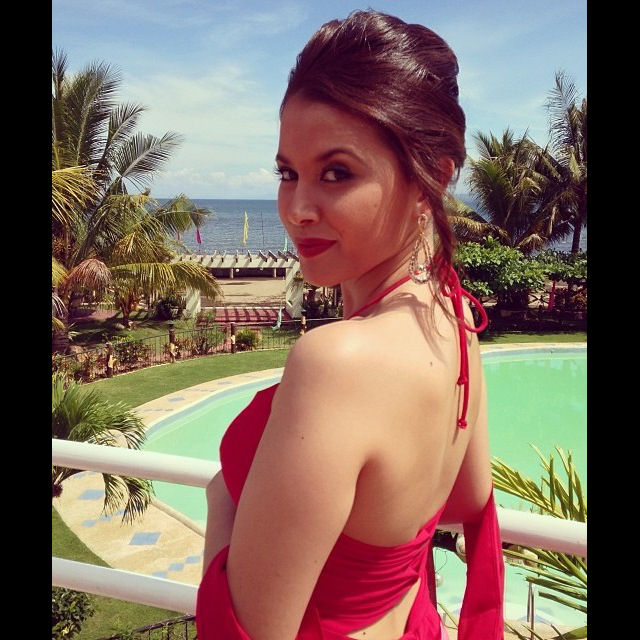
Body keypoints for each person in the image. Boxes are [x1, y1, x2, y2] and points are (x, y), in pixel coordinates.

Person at [196, 10, 504, 640]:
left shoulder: (338, 362)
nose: (297, 209)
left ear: (433, 177)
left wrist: (225, 502)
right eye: (288, 173)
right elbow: (469, 499)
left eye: (337, 173)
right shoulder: (453, 313)